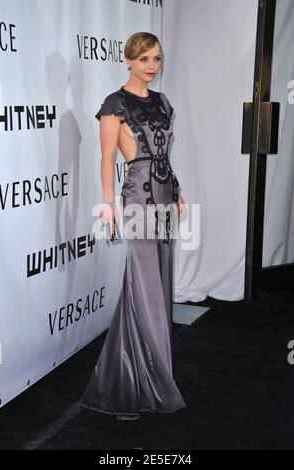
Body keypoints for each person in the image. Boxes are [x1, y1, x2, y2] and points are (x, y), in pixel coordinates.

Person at [80, 32, 187, 421]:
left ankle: (129, 372)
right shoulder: (115, 104)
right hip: (137, 199)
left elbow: (165, 155)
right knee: (145, 286)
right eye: (144, 59)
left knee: (155, 281)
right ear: (128, 60)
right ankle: (150, 380)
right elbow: (108, 158)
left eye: (157, 58)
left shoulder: (163, 103)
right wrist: (107, 203)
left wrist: (177, 191)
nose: (152, 66)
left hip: (164, 198)